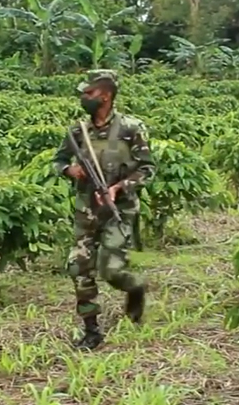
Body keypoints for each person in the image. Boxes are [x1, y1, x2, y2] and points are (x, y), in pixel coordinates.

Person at [52, 69, 155, 350]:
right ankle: (91, 329)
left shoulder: (131, 129)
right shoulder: (77, 131)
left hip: (119, 210)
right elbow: (58, 160)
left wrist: (119, 187)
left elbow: (147, 169)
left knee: (111, 270)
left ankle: (135, 287)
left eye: (89, 93)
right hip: (86, 210)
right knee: (78, 267)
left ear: (106, 96)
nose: (84, 98)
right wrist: (68, 169)